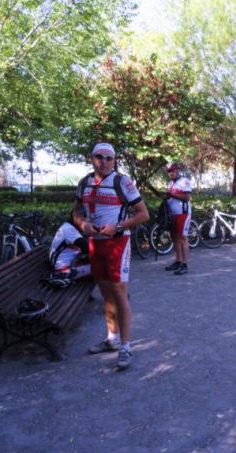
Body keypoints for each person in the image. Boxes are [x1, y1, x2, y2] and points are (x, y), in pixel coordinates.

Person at [73, 142, 149, 370]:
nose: (104, 161)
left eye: (109, 158)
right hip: (95, 244)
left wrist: (118, 226)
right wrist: (82, 224)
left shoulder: (122, 182)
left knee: (119, 294)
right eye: (99, 157)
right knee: (106, 294)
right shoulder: (84, 183)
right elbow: (76, 211)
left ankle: (125, 346)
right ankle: (112, 339)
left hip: (118, 243)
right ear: (92, 159)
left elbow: (143, 214)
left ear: (114, 161)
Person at [163, 162, 192, 275]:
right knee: (175, 238)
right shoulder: (170, 183)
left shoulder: (185, 181)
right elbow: (170, 197)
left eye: (173, 170)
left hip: (183, 213)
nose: (171, 173)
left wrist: (172, 195)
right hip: (172, 214)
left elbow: (187, 197)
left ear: (178, 170)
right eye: (169, 171)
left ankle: (185, 265)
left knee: (183, 238)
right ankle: (178, 261)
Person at [48, 211, 91, 280]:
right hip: (63, 272)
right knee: (101, 267)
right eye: (83, 219)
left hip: (70, 265)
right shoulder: (68, 229)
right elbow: (87, 247)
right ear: (75, 217)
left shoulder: (69, 227)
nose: (85, 222)